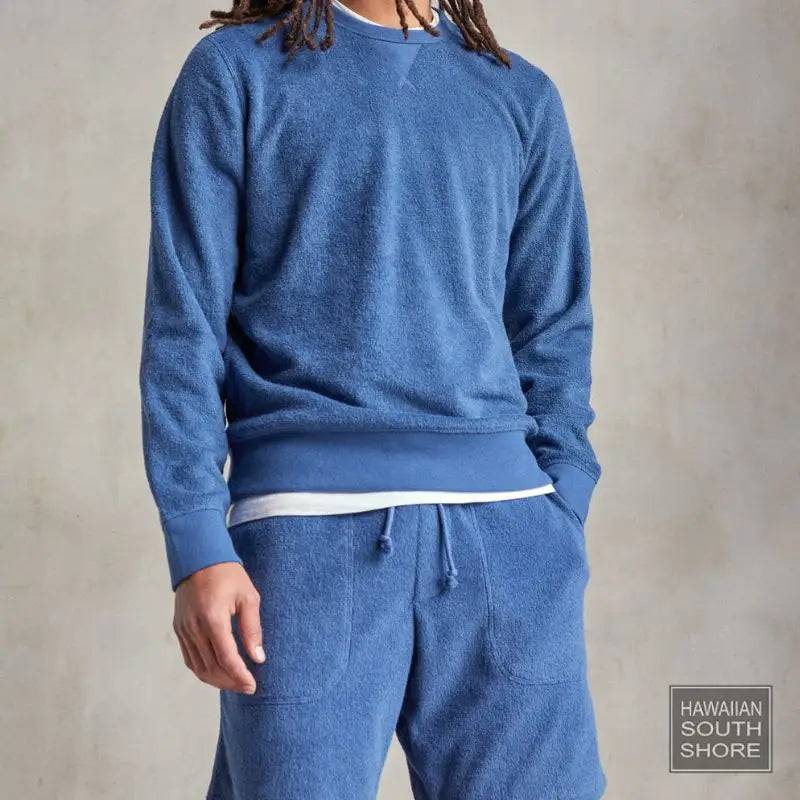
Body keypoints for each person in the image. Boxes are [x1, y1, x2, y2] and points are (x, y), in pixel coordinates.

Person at [139, 1, 606, 797]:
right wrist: (197, 543)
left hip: (510, 540)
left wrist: (563, 501)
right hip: (306, 542)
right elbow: (184, 328)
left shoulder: (519, 95)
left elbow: (554, 325)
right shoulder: (236, 72)